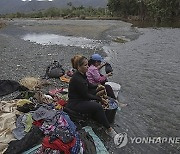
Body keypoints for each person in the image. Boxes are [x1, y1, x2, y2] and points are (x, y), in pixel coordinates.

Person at [66, 54, 117, 138]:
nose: (88, 67)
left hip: (82, 97)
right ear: (79, 67)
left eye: (87, 64)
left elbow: (90, 85)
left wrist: (99, 86)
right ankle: (109, 129)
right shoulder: (77, 79)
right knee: (98, 106)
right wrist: (99, 99)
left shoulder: (83, 74)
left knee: (104, 88)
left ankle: (100, 118)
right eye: (85, 65)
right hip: (75, 103)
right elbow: (86, 95)